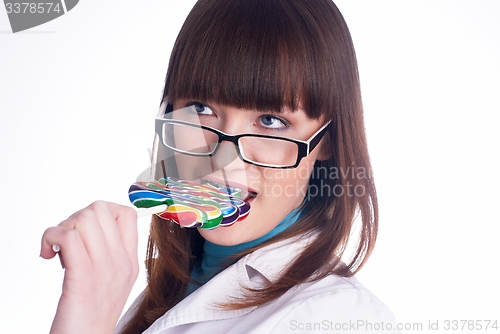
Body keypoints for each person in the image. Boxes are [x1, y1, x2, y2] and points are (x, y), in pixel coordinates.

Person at [41, 0, 399, 333]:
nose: (221, 158)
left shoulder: (339, 318)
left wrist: (91, 318)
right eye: (200, 108)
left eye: (271, 121)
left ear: (328, 142)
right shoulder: (175, 288)